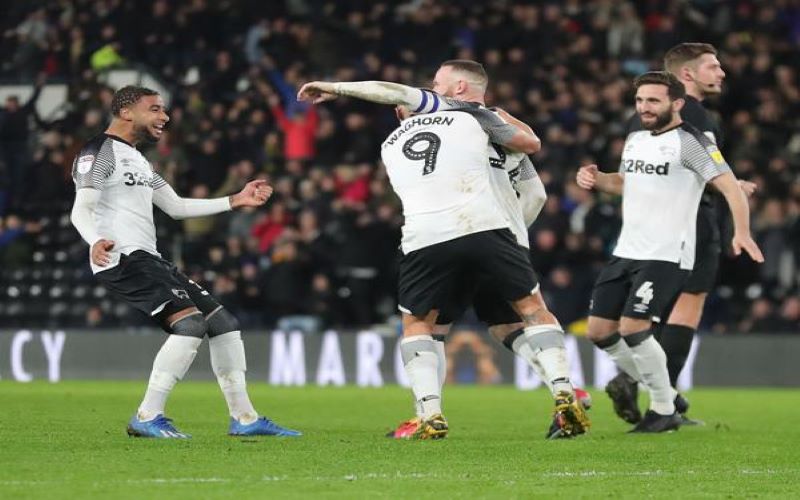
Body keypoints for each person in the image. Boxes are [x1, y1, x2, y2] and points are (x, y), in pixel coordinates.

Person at [298, 60, 590, 440]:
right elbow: (534, 186)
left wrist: (335, 88)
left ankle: (428, 413)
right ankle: (565, 390)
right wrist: (514, 237)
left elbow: (398, 97)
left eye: (435, 87)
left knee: (423, 326)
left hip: (428, 238)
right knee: (522, 318)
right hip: (492, 233)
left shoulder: (392, 143)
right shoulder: (479, 124)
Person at [70, 85, 300, 439]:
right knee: (190, 325)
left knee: (223, 322)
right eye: (155, 109)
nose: (164, 116)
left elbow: (176, 206)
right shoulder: (98, 152)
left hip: (149, 257)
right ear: (126, 112)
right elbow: (81, 209)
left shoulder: (139, 160)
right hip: (123, 256)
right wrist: (94, 239)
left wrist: (234, 200)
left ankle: (245, 418)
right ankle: (147, 415)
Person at [576, 71, 763, 432]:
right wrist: (597, 179)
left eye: (653, 101)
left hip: (667, 252)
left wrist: (741, 232)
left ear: (676, 103)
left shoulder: (692, 142)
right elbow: (625, 182)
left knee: (634, 326)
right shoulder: (635, 138)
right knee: (599, 331)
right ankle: (666, 392)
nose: (644, 108)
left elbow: (731, 187)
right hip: (628, 249)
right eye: (640, 100)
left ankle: (662, 410)